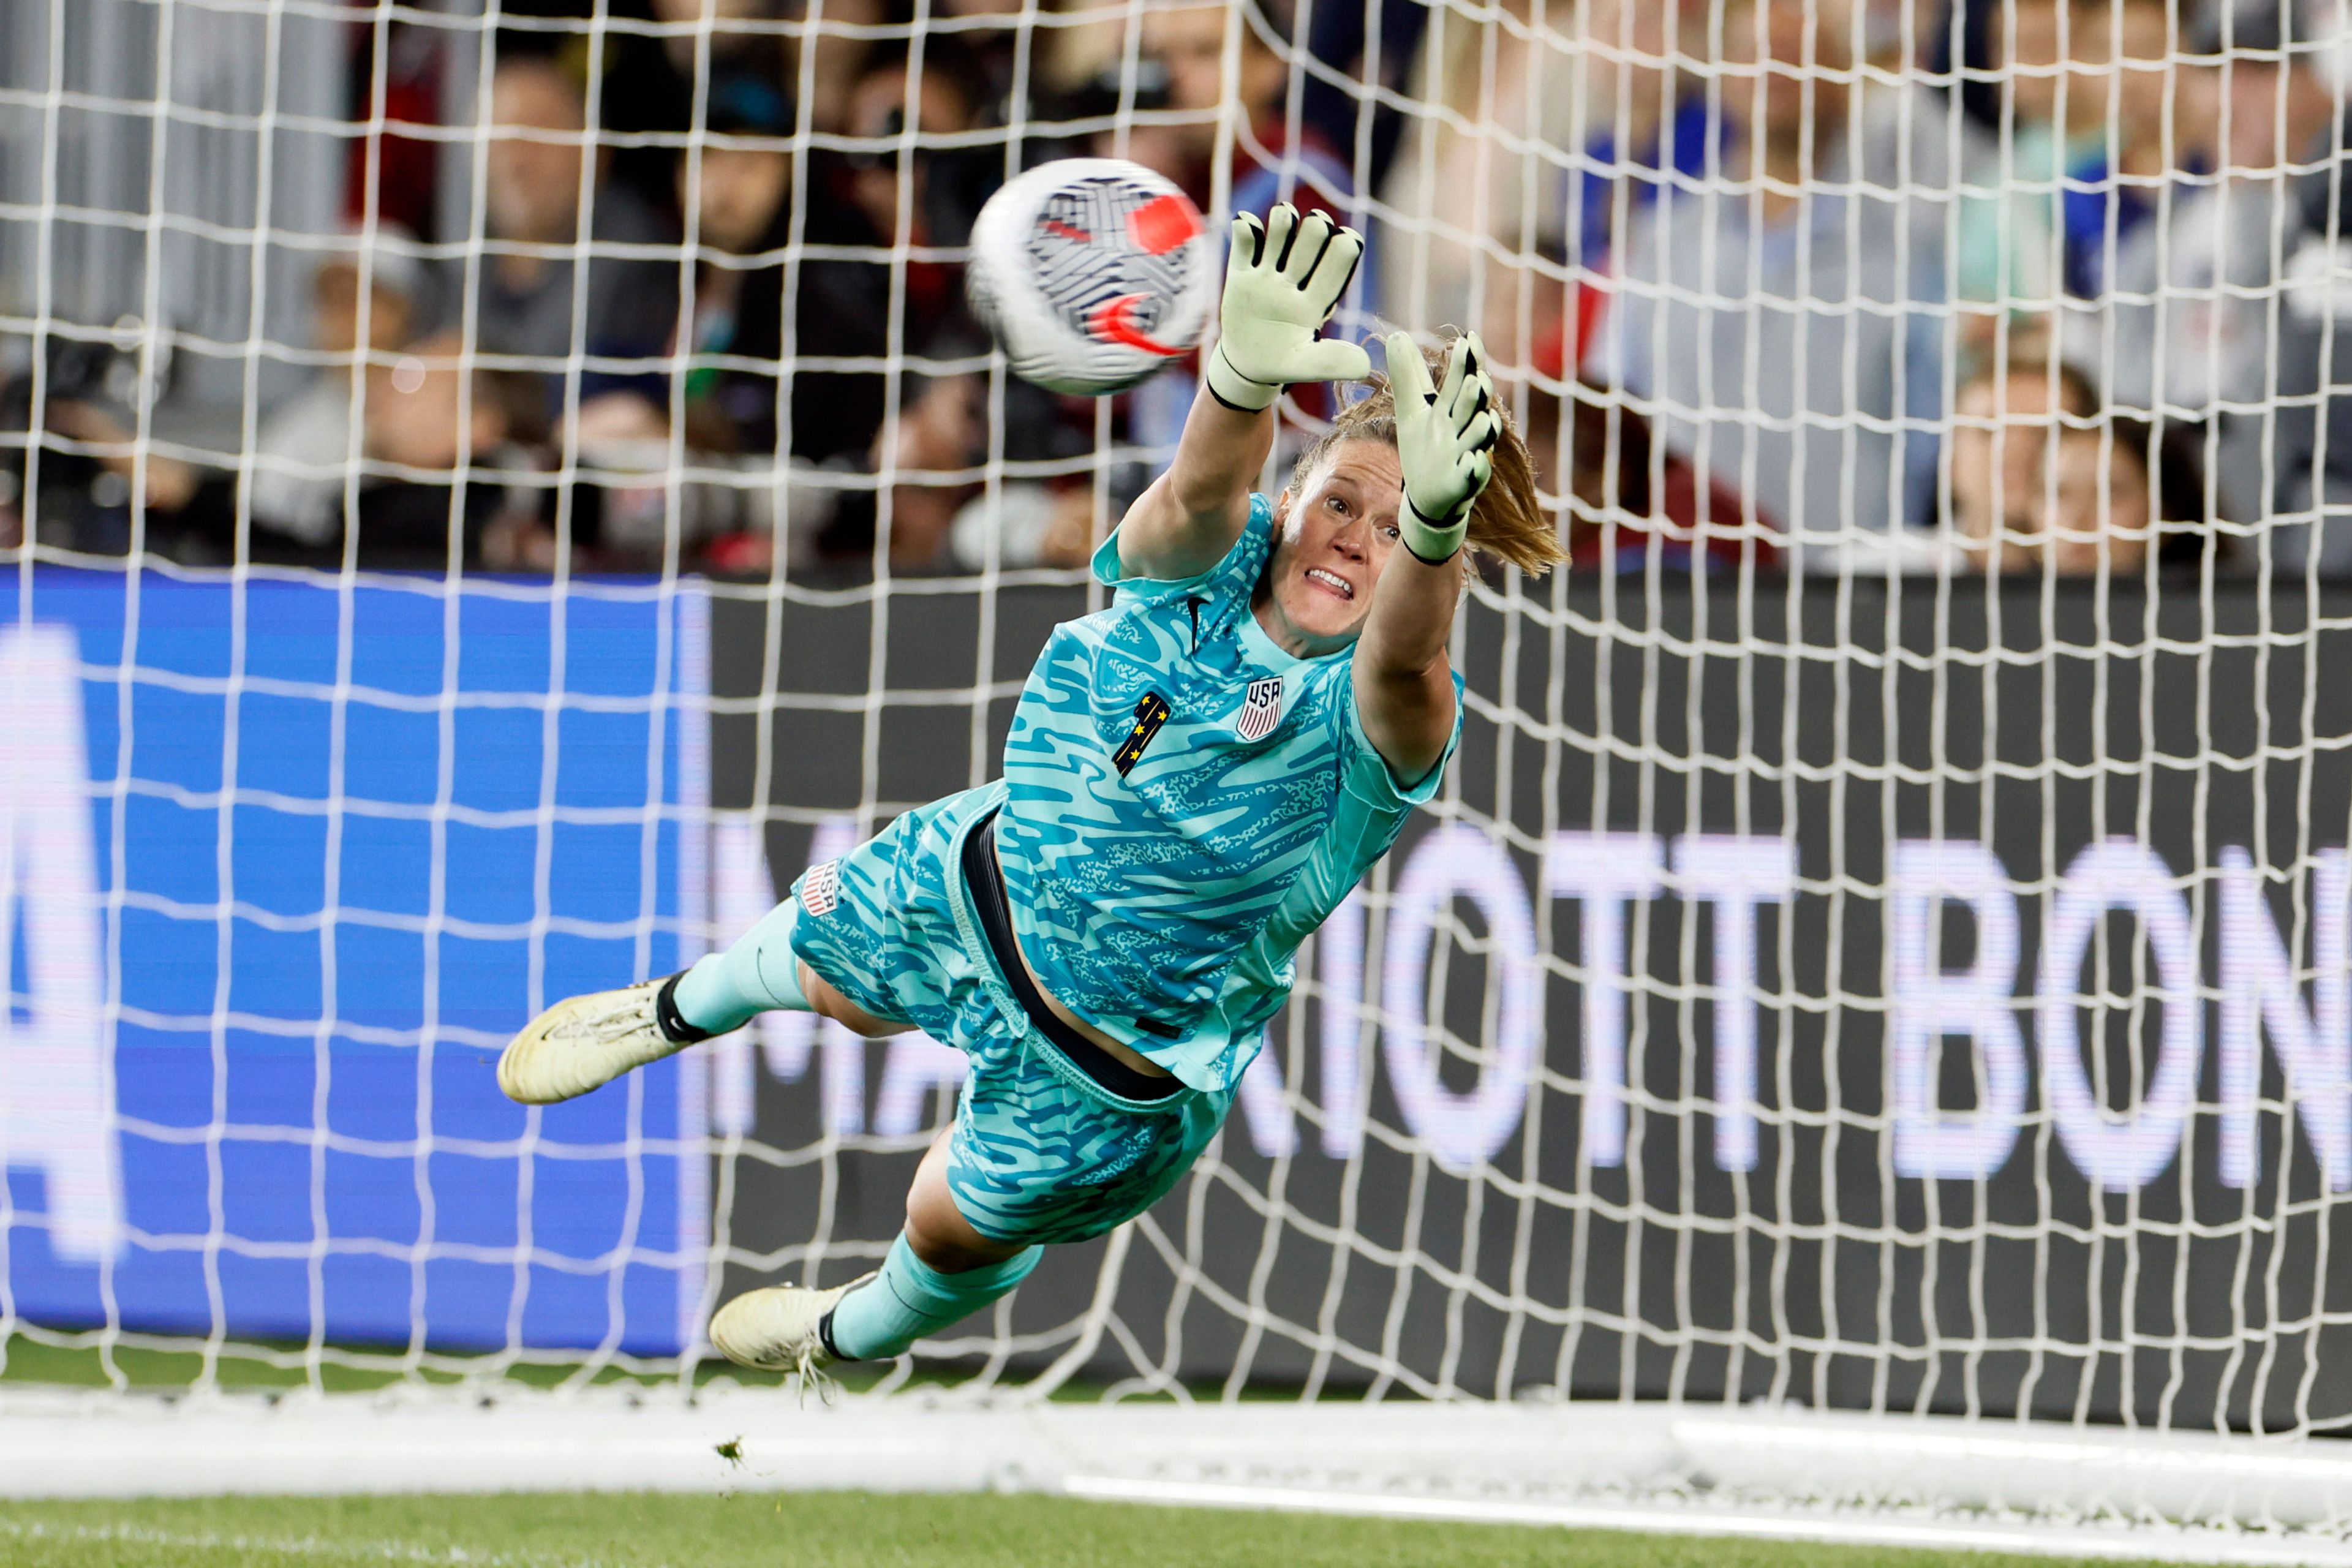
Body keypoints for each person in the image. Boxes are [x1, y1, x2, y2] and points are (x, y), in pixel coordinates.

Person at [492, 205, 1564, 1378]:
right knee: (829, 981)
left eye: (1394, 527)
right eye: (1341, 503)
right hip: (980, 878)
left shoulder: (1383, 718)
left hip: (1112, 1065)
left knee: (944, 1215)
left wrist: (1432, 526)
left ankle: (840, 1334)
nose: (1357, 538)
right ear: (1292, 502)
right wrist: (1242, 380)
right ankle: (660, 1012)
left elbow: (1403, 649)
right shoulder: (1207, 565)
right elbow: (1197, 495)